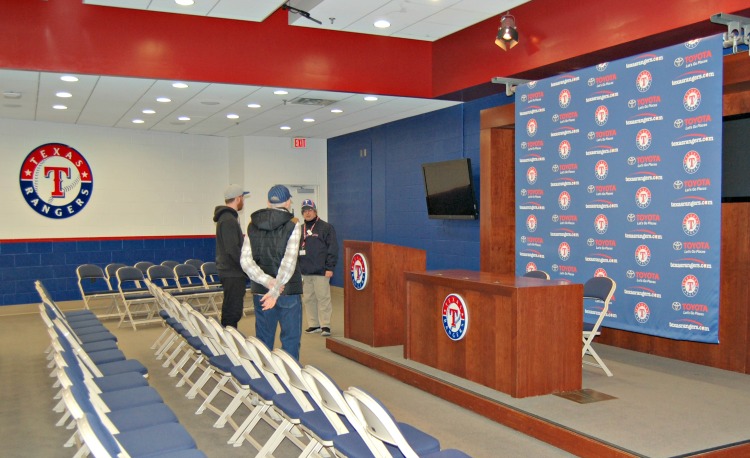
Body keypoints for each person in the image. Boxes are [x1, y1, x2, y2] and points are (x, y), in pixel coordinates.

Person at [240, 184, 304, 360]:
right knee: (290, 340)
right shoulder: (294, 224)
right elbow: (288, 262)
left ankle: (265, 381)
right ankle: (289, 382)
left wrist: (267, 282)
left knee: (263, 340)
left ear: (268, 202)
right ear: (288, 201)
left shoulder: (252, 224)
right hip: (287, 292)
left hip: (261, 292)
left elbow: (245, 261)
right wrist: (275, 289)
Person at [298, 199, 338, 337]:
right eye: (304, 211)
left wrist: (330, 267)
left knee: (323, 298)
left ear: (315, 211)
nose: (307, 213)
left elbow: (332, 248)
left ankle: (325, 325)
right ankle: (313, 324)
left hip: (321, 271)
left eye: (309, 210)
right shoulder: (300, 229)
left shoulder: (326, 227)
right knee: (308, 299)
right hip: (306, 271)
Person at [213, 184, 249, 328]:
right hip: (232, 272)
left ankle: (228, 338)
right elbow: (232, 249)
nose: (243, 201)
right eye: (243, 198)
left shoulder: (228, 218)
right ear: (238, 198)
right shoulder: (228, 220)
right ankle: (229, 342)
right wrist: (245, 267)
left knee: (231, 308)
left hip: (230, 271)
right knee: (232, 311)